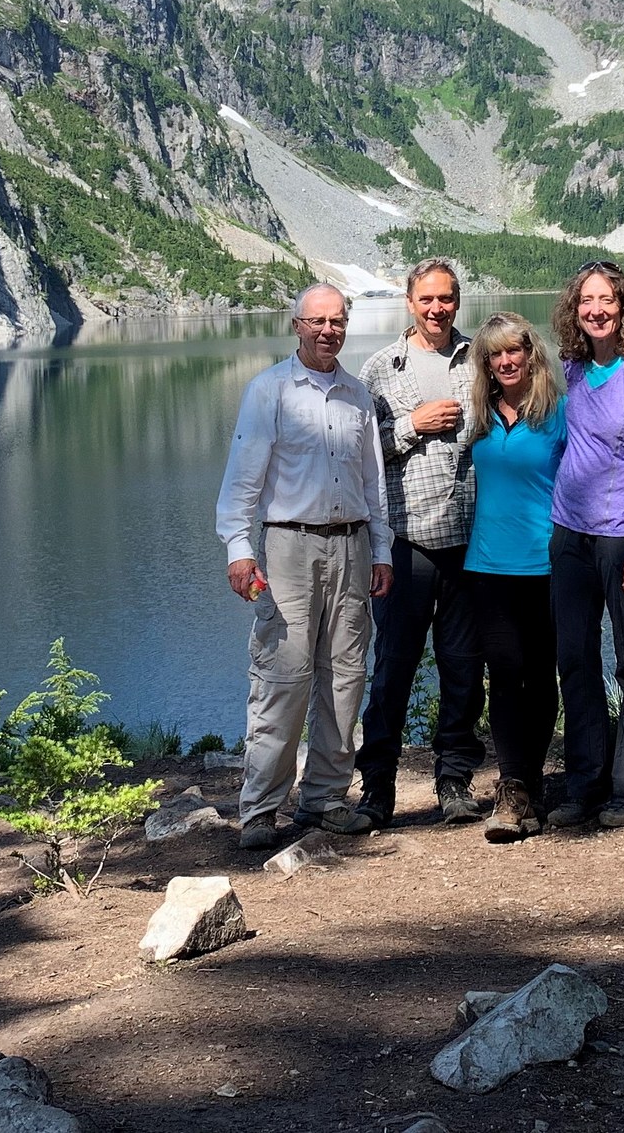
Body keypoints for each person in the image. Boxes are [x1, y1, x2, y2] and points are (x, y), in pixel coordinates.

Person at [216, 283, 394, 850]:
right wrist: (238, 550)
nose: (327, 330)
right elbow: (242, 481)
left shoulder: (357, 395)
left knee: (345, 677)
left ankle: (323, 799)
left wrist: (382, 550)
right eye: (315, 321)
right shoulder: (269, 390)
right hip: (288, 546)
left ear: (346, 325)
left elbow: (373, 482)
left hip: (353, 544)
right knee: (282, 676)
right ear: (296, 325)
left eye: (336, 321)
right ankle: (261, 809)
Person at [354, 258, 485, 827]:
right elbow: (360, 453)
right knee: (394, 668)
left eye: (448, 298)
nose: (438, 308)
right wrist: (415, 425)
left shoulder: (479, 357)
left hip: (470, 539)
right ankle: (377, 785)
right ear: (411, 302)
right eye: (427, 299)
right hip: (407, 541)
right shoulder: (381, 368)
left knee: (462, 667)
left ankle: (454, 779)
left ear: (458, 302)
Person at [549, 261, 624, 830]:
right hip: (570, 535)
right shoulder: (572, 370)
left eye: (607, 299)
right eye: (586, 301)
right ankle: (584, 781)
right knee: (574, 661)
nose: (596, 309)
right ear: (575, 310)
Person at [462, 312, 568, 842]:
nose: (505, 361)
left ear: (532, 355)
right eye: (494, 355)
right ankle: (512, 786)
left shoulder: (558, 413)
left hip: (545, 563)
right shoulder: (480, 415)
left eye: (514, 351)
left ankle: (530, 785)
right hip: (487, 565)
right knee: (503, 674)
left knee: (541, 674)